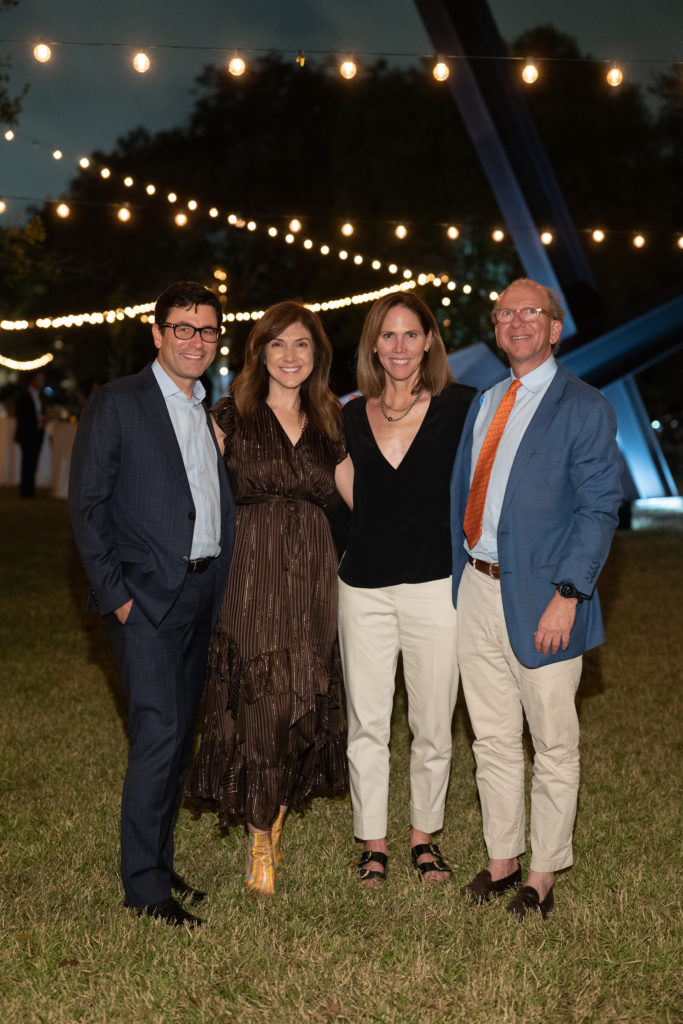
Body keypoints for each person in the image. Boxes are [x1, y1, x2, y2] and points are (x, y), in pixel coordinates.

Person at [450, 277, 622, 920]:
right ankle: (501, 862)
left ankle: (543, 873)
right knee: (491, 738)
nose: (516, 321)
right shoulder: (486, 401)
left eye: (531, 313)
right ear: (495, 329)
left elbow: (600, 509)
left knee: (552, 742)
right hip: (476, 585)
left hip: (546, 597)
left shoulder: (584, 405)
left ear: (555, 327)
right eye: (504, 313)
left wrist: (570, 594)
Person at [69, 281, 235, 928]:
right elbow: (87, 508)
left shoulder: (205, 410)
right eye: (184, 328)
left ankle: (160, 863)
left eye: (208, 330)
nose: (197, 340)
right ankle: (144, 890)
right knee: (158, 738)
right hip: (145, 600)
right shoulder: (118, 403)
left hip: (201, 594)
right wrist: (119, 600)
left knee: (178, 740)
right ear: (157, 332)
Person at [184, 300, 348, 896]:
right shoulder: (229, 414)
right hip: (249, 571)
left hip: (311, 573)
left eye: (301, 344)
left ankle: (273, 814)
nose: (289, 356)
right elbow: (193, 489)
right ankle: (259, 835)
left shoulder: (331, 418)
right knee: (262, 700)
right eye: (277, 344)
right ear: (259, 353)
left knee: (302, 694)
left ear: (317, 354)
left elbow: (365, 499)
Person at [334, 292, 474, 887]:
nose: (398, 346)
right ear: (373, 345)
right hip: (361, 588)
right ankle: (373, 844)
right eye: (387, 336)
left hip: (434, 588)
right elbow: (347, 491)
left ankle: (424, 840)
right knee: (366, 722)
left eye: (410, 335)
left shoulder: (461, 407)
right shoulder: (345, 415)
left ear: (429, 342)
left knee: (432, 722)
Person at [14, 369, 46, 498]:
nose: (42, 382)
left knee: (33, 462)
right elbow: (22, 415)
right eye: (40, 379)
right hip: (27, 434)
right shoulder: (24, 395)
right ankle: (25, 491)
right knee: (27, 462)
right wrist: (38, 418)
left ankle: (30, 490)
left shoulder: (39, 396)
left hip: (37, 433)